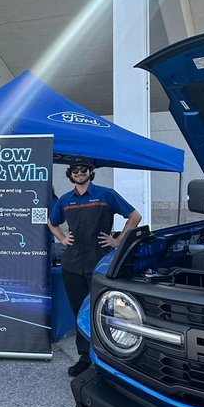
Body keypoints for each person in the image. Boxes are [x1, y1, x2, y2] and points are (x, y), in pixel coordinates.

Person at [49, 156, 142, 376]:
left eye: (83, 170)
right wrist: (62, 238)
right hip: (72, 264)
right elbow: (51, 222)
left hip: (100, 264)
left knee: (102, 311)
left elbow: (135, 216)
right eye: (75, 170)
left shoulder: (105, 195)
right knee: (79, 311)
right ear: (70, 174)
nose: (79, 173)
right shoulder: (64, 200)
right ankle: (84, 356)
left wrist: (117, 241)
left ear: (91, 172)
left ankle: (106, 356)